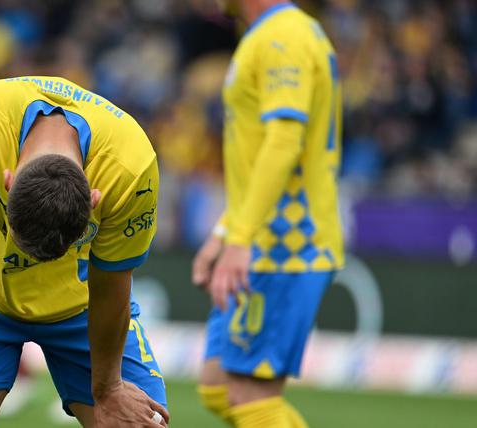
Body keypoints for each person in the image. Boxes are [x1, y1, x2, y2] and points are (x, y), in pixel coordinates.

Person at [0, 76, 170, 428]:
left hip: (79, 305)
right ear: (6, 181)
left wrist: (109, 388)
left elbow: (112, 283)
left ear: (94, 198)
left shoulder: (130, 169)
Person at [191, 1, 343, 427]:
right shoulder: (269, 33)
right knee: (218, 386)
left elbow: (283, 141)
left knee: (248, 397)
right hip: (260, 236)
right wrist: (224, 232)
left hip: (287, 242)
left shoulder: (284, 36)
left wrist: (241, 239)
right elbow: (256, 152)